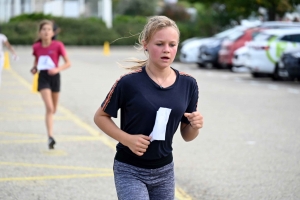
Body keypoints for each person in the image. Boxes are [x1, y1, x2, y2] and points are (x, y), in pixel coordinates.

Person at [94, 16, 203, 199]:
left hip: (165, 171)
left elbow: (187, 135)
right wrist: (127, 139)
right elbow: (100, 116)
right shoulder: (128, 82)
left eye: (172, 44)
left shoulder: (188, 84)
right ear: (145, 44)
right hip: (130, 170)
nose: (166, 50)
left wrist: (195, 126)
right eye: (159, 44)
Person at [31, 20, 71, 149]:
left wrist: (57, 69)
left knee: (53, 109)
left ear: (53, 32)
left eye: (49, 29)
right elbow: (36, 61)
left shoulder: (58, 45)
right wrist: (34, 68)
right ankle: (50, 137)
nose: (46, 32)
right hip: (43, 77)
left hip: (55, 77)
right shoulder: (36, 46)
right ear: (40, 32)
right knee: (49, 108)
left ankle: (50, 132)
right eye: (44, 29)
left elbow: (68, 63)